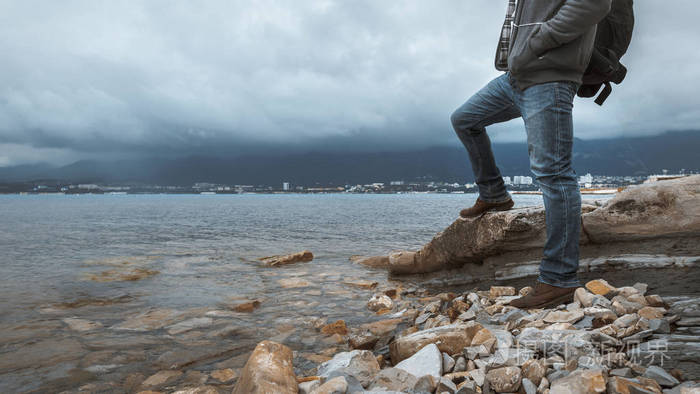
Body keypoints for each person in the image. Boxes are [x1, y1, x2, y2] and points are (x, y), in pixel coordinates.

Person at [450, 0, 612, 308]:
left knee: (554, 175)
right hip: (516, 78)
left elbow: (594, 4)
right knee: (464, 120)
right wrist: (519, 57)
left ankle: (558, 280)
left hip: (550, 77)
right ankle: (494, 193)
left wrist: (537, 43)